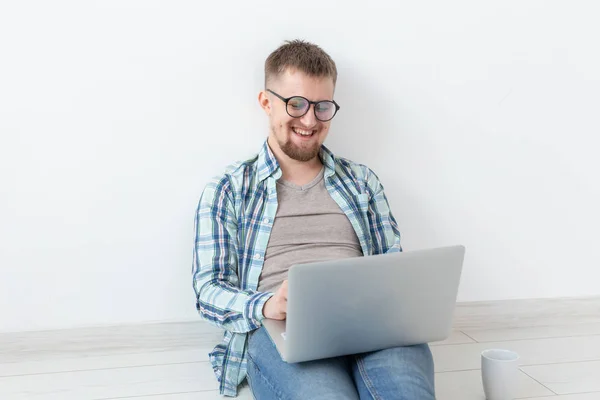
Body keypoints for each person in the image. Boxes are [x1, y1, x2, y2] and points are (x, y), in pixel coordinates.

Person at [192, 39, 435, 399]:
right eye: (296, 104)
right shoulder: (228, 189)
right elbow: (207, 289)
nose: (310, 120)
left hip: (369, 324)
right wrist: (266, 305)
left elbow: (393, 267)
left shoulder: (362, 182)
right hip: (282, 328)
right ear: (266, 102)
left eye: (322, 107)